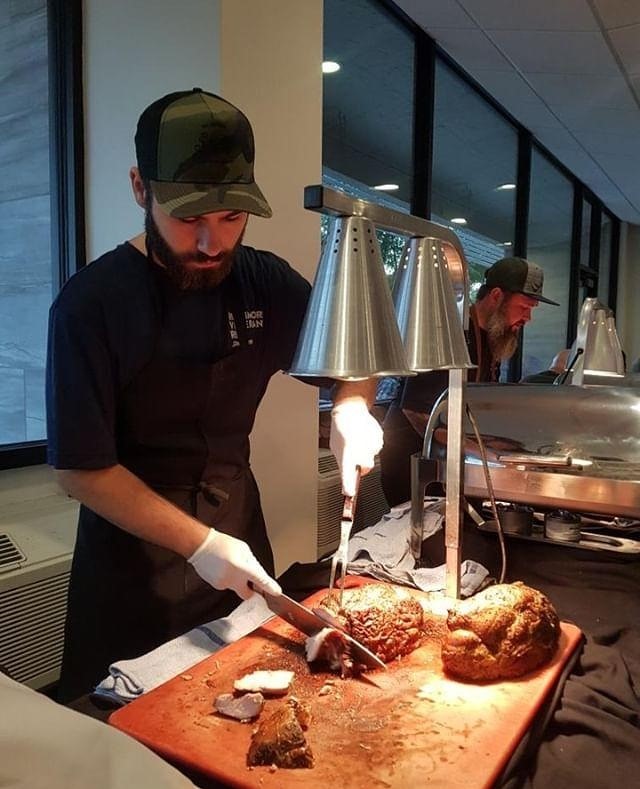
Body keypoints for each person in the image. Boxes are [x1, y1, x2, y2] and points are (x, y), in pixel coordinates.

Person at [46, 88, 382, 702]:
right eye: (189, 219)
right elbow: (81, 470)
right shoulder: (91, 305)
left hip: (238, 534)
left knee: (253, 703)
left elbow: (349, 364)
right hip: (131, 561)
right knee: (132, 730)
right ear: (140, 189)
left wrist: (354, 404)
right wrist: (198, 544)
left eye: (230, 218)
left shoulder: (263, 280)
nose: (211, 244)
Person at [380, 256, 558, 506]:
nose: (528, 318)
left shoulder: (490, 338)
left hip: (449, 463)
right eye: (524, 307)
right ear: (496, 296)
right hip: (415, 468)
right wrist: (486, 453)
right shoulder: (450, 334)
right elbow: (419, 413)